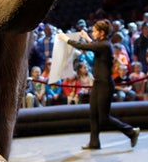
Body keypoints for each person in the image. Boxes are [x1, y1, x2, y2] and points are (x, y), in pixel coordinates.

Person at [58, 20, 140, 150]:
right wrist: (87, 38)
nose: (93, 32)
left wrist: (65, 39)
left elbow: (85, 47)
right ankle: (94, 142)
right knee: (93, 114)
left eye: (95, 31)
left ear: (102, 33)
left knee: (104, 117)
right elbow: (94, 46)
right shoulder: (102, 45)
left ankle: (131, 132)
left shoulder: (105, 45)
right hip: (98, 83)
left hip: (105, 85)